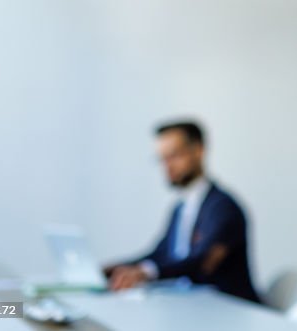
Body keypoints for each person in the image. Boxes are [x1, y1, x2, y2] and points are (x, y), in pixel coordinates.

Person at [104, 120, 261, 303]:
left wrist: (147, 272)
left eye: (174, 156)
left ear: (199, 151)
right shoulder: (180, 208)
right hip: (193, 305)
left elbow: (202, 263)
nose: (167, 166)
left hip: (229, 308)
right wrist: (116, 268)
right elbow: (161, 254)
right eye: (162, 159)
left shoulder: (223, 208)